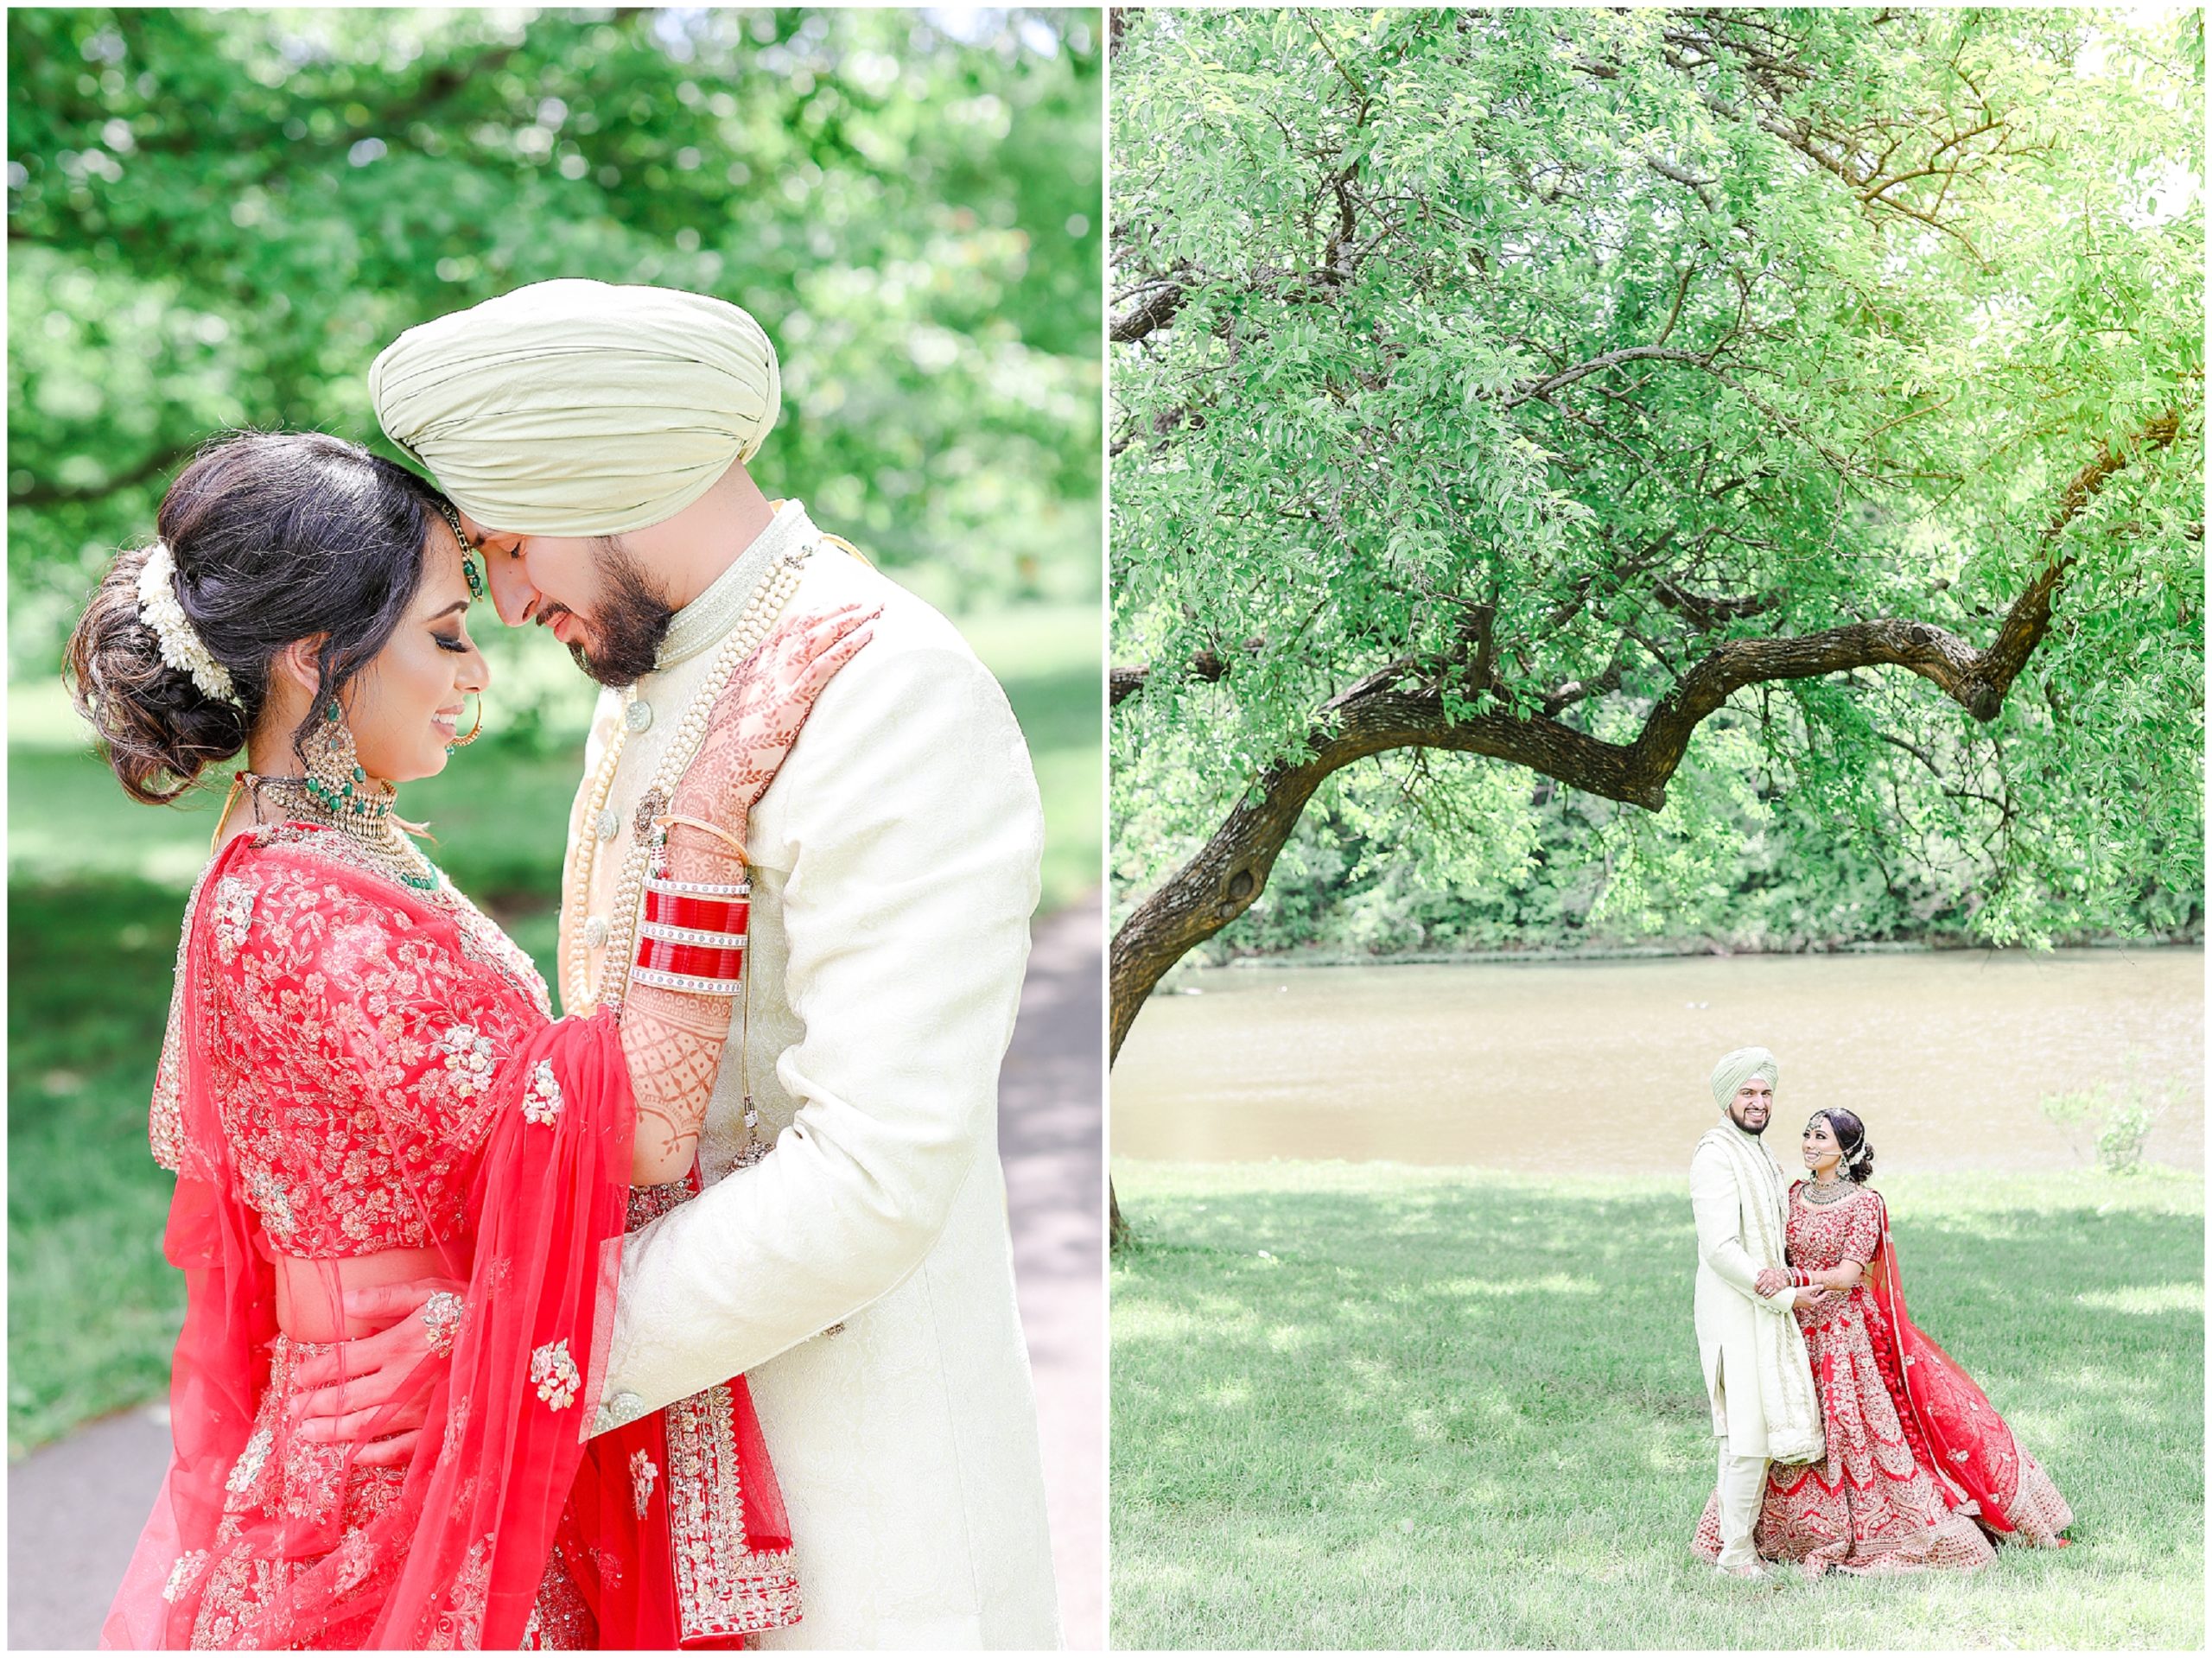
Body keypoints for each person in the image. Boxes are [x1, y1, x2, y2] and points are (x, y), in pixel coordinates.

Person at [300, 279, 1062, 1648]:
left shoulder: (888, 690)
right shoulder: (655, 675)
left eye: (515, 543)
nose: (512, 596)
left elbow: (873, 1177)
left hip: (860, 1515)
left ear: (606, 477)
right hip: (654, 1494)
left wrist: (502, 1347)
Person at [79, 430, 875, 1648]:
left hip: (430, 1449)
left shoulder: (338, 852)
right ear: (315, 658)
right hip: (386, 1510)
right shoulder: (300, 906)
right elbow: (638, 1129)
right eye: (447, 632)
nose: (477, 672)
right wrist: (706, 818)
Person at [1701, 1106, 2074, 1575]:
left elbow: (1848, 1274)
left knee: (1852, 1430)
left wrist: (1791, 1276)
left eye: (1821, 1137)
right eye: (1807, 1135)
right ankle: (1778, 1533)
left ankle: (1879, 1528)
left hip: (1843, 1334)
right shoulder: (1792, 1194)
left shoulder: (1865, 1203)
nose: (1810, 1144)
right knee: (1788, 1421)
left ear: (1845, 1148)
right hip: (1795, 1327)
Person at [1687, 1046, 1827, 1579]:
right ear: (1728, 1099)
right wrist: (1784, 1295)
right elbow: (1721, 1249)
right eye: (1748, 1093)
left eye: (1766, 1093)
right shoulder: (1716, 1154)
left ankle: (1738, 1547)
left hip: (1761, 1305)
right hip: (1734, 1308)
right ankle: (1736, 1556)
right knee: (1745, 1437)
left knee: (1755, 1436)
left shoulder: (1760, 1153)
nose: (1759, 1102)